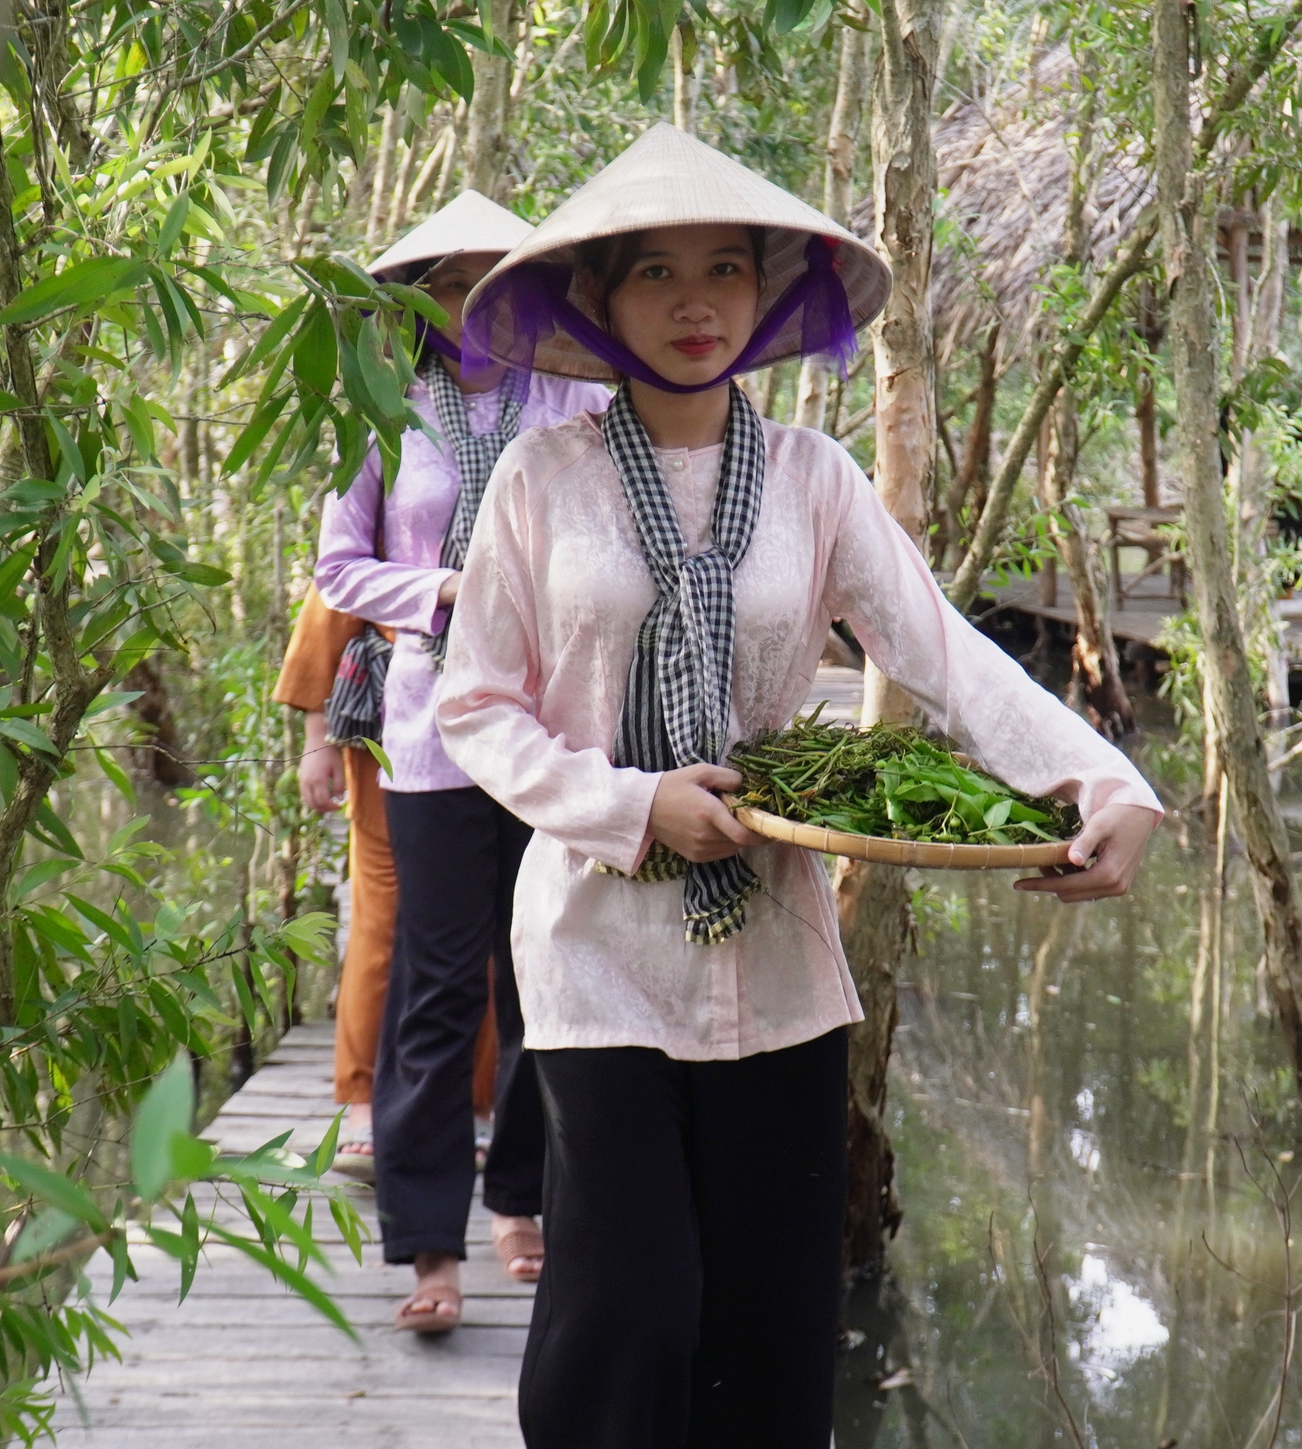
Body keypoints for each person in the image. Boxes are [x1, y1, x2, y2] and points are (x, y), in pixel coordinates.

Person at [440, 124, 1163, 1447]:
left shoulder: (814, 481)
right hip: (597, 947)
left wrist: (1105, 781)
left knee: (772, 1326)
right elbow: (474, 705)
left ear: (773, 291)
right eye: (654, 273)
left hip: (773, 956)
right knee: (633, 1305)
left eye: (726, 267)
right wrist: (629, 803)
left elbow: (944, 657)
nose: (695, 302)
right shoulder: (542, 480)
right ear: (597, 300)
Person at [313, 188, 610, 1335]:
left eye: (493, 276)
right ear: (419, 300)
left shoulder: (578, 400)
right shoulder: (383, 409)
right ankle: (430, 1244)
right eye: (450, 280)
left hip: (559, 727)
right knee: (436, 986)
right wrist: (444, 588)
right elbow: (338, 568)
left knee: (546, 968)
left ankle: (522, 1200)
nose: (472, 299)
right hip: (433, 728)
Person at [273, 586, 498, 1183]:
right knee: (383, 919)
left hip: (500, 719)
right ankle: (366, 1106)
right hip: (391, 724)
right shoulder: (382, 488)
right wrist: (317, 740)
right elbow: (336, 589)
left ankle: (475, 1106)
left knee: (494, 922)